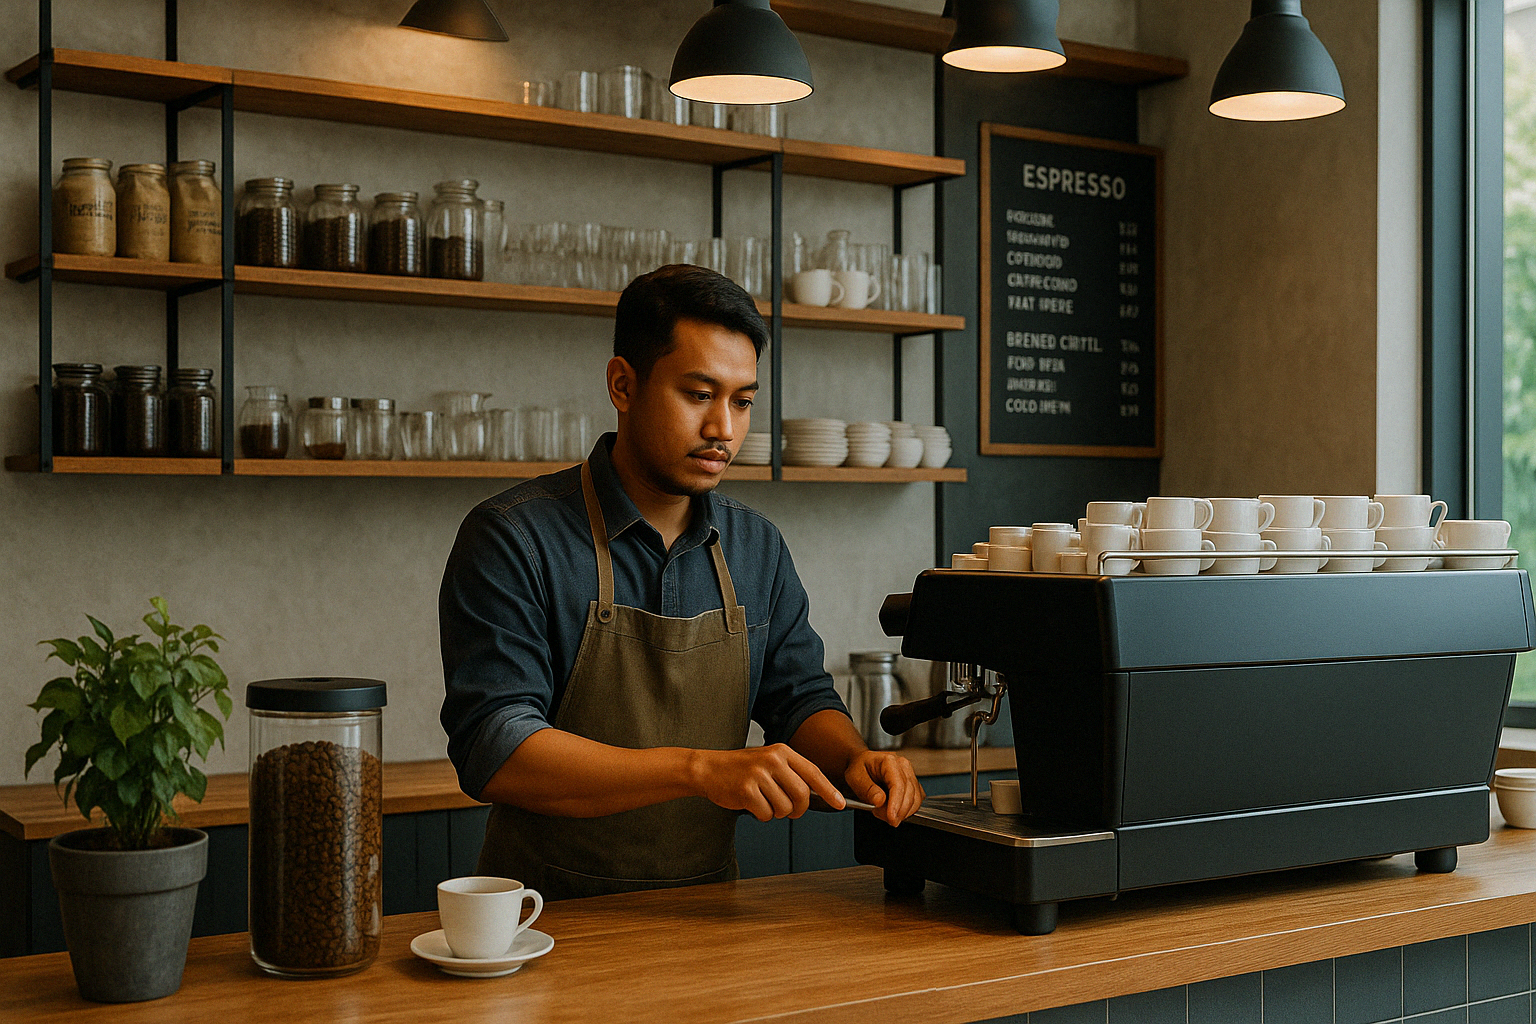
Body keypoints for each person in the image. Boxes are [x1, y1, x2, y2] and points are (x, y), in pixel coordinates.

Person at [439, 264, 925, 901]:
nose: (724, 428)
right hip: (542, 919)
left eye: (742, 401)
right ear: (623, 384)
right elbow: (496, 746)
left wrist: (852, 758)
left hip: (705, 913)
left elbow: (797, 695)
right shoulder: (512, 537)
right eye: (699, 394)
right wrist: (698, 769)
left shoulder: (757, 547)